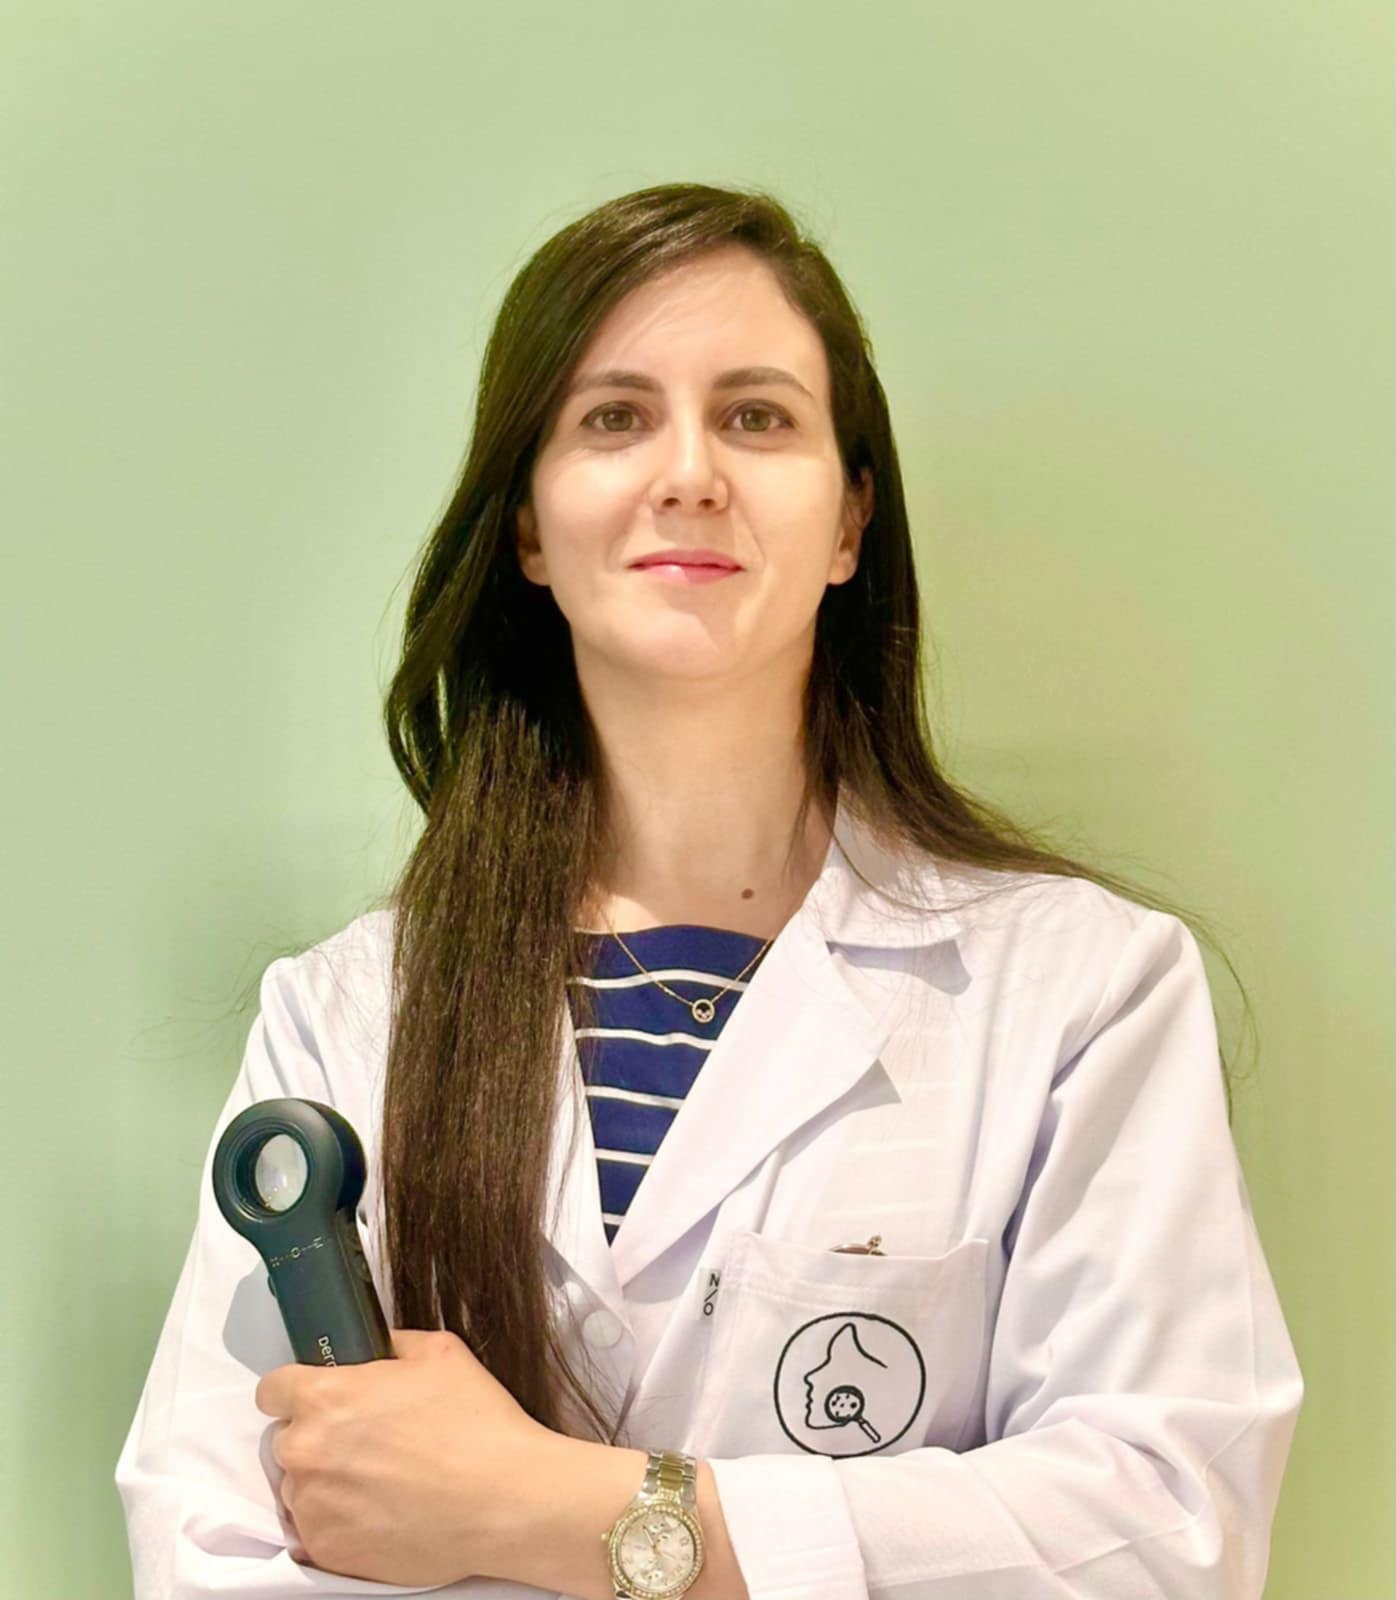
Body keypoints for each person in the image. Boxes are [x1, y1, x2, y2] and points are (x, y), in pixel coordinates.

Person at [114, 183, 1304, 1600]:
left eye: (756, 416)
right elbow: (214, 1553)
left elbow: (1166, 1532)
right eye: (615, 417)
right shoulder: (344, 1017)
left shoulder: (1083, 994)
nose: (689, 473)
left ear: (850, 519)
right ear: (529, 529)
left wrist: (554, 1512)